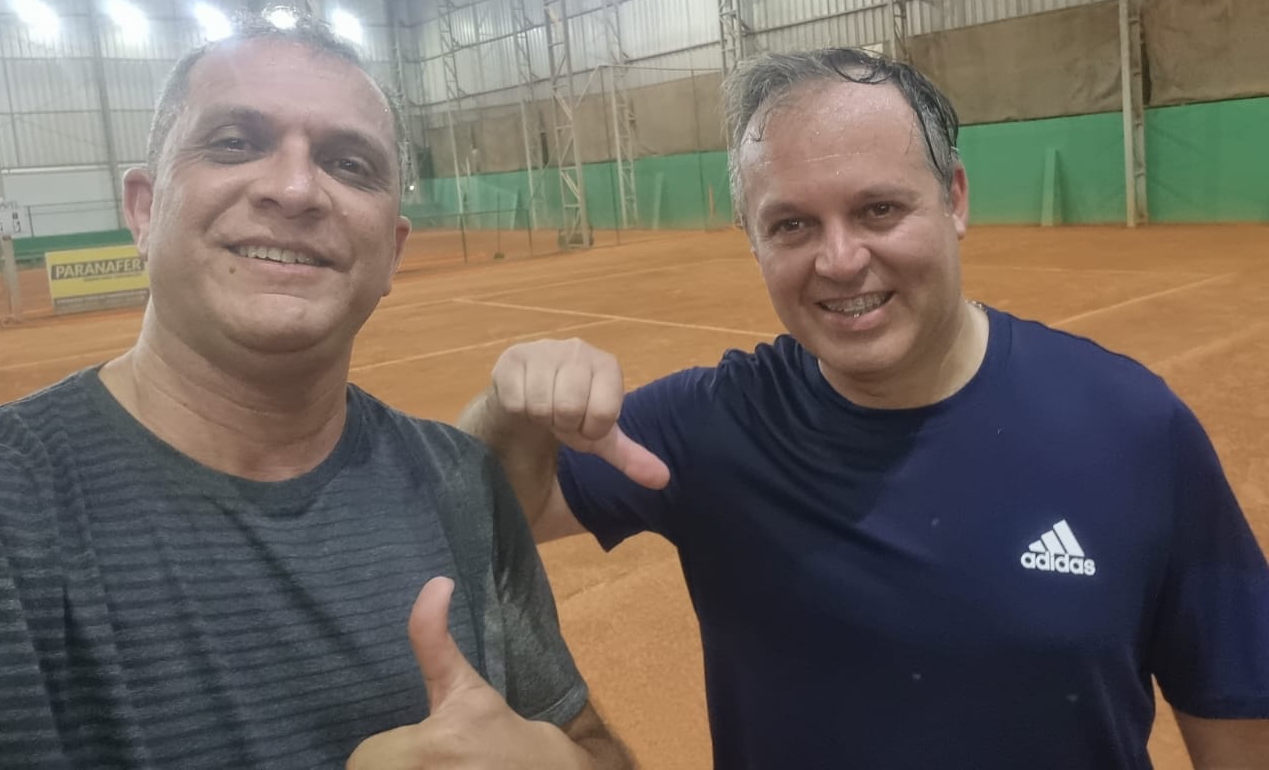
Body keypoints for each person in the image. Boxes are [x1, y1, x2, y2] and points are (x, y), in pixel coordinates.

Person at [459, 47, 1269, 769]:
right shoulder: (708, 427)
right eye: (792, 225)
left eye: (879, 209)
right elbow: (474, 512)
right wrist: (507, 412)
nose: (840, 260)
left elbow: (1237, 709)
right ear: (752, 239)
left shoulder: (1132, 426)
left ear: (954, 199)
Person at [0, 12, 633, 770]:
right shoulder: (8, 509)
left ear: (392, 252)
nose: (295, 189)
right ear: (144, 208)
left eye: (349, 164)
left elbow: (588, 745)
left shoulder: (462, 483)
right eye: (236, 142)